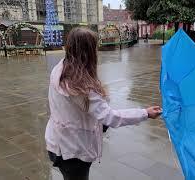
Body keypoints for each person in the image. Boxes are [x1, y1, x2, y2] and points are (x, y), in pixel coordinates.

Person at [45, 28, 162, 180]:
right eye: (94, 47)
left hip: (57, 143)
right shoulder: (80, 86)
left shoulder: (60, 69)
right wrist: (145, 113)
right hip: (73, 151)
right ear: (87, 52)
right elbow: (110, 117)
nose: (97, 51)